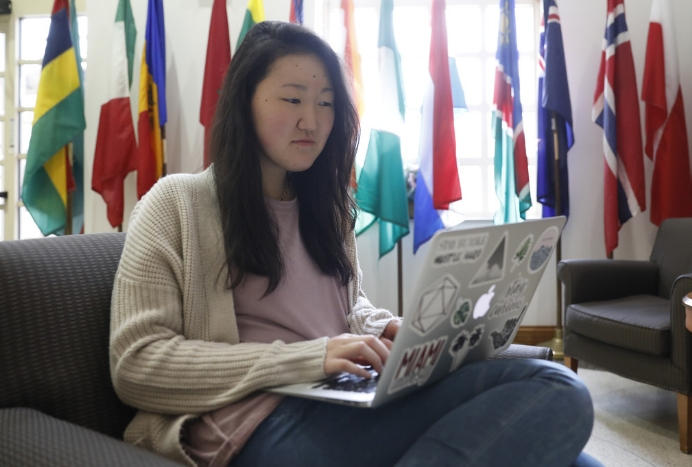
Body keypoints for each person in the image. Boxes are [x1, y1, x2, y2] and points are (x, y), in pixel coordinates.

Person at [110, 20, 603, 467]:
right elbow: (136, 364)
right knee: (558, 389)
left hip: (348, 398)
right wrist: (307, 358)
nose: (313, 120)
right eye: (293, 99)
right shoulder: (176, 203)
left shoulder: (326, 208)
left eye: (326, 103)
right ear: (244, 100)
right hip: (252, 427)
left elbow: (345, 309)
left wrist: (392, 330)